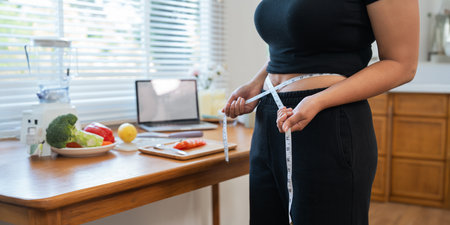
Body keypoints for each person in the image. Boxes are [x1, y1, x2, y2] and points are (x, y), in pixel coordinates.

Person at [222, 0, 419, 225]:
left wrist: (318, 100)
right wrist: (256, 83)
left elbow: (402, 64)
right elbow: (290, 46)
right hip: (269, 116)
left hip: (326, 122)